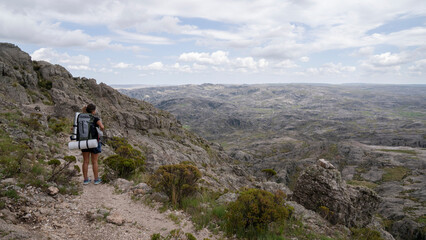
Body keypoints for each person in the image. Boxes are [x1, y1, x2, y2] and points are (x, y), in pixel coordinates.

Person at [81, 103, 104, 185]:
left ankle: (86, 180)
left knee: (85, 161)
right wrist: (100, 130)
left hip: (84, 142)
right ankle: (96, 179)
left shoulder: (81, 118)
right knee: (94, 161)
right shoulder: (95, 119)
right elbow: (102, 127)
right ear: (93, 111)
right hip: (94, 142)